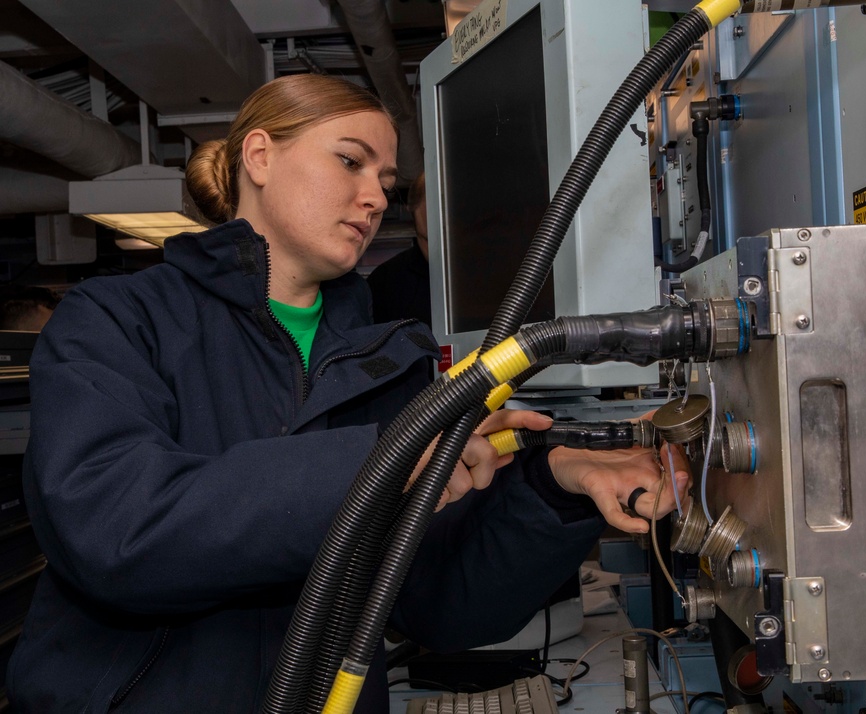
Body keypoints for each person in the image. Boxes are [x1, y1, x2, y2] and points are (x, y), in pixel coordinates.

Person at [7, 74, 689, 713]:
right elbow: (113, 529)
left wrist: (551, 489)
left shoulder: (385, 363)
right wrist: (382, 462)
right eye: (350, 162)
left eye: (386, 181)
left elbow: (437, 604)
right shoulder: (119, 319)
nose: (375, 198)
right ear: (260, 156)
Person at [366, 171, 432, 326]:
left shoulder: (480, 270)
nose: (444, 209)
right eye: (435, 199)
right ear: (413, 207)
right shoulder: (385, 281)